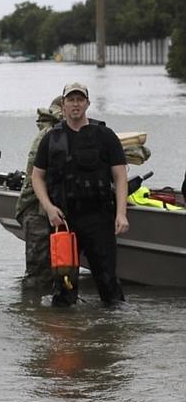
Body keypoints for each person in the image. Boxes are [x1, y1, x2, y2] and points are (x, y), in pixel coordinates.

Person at [31, 82, 129, 306]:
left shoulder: (105, 136)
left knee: (108, 283)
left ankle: (113, 333)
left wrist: (121, 214)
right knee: (64, 285)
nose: (75, 104)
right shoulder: (51, 138)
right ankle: (65, 335)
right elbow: (37, 177)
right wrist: (48, 208)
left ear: (87, 103)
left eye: (80, 99)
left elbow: (120, 176)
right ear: (63, 105)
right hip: (63, 221)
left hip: (99, 218)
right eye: (71, 100)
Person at [14, 96, 62, 288]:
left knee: (58, 270)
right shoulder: (49, 136)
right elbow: (36, 176)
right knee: (39, 275)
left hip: (49, 210)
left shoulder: (56, 133)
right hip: (37, 211)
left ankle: (41, 314)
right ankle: (32, 313)